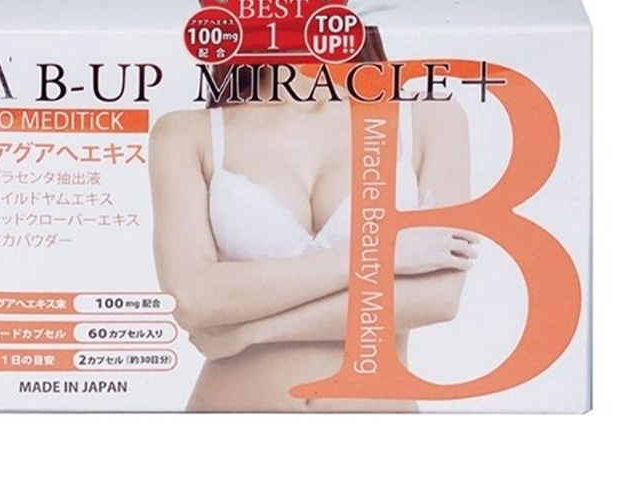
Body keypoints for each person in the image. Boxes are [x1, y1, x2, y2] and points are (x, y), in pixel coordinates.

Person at [150, 29, 477, 411]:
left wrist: (252, 331)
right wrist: (381, 254)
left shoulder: (426, 116)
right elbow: (193, 298)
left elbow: (436, 298)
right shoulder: (186, 133)